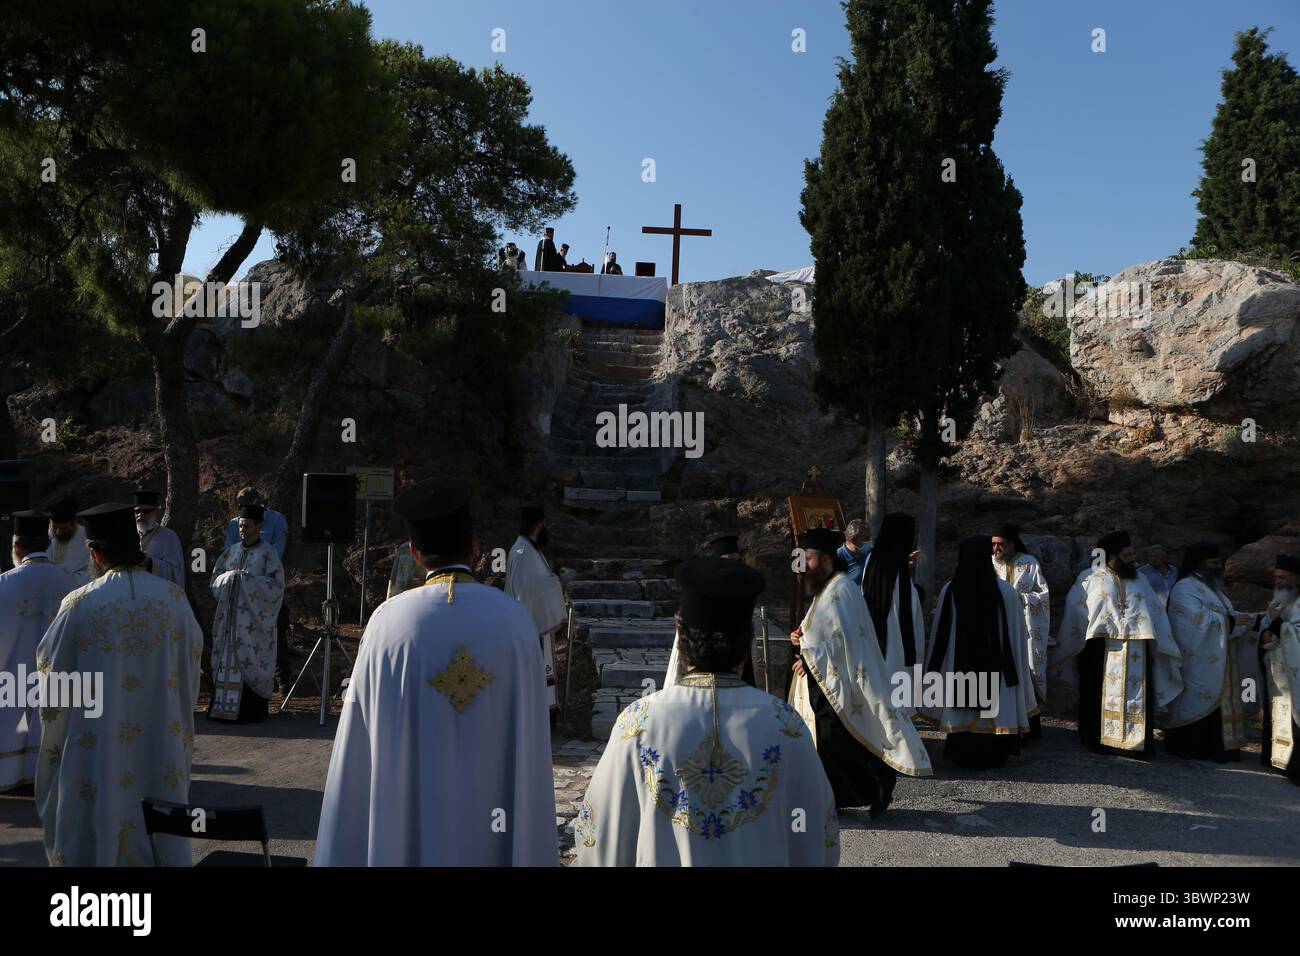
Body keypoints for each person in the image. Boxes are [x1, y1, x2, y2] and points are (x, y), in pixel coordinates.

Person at [315, 477, 556, 865]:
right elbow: (530, 742)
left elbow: (358, 745)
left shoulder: (386, 623)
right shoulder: (514, 622)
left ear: (413, 552)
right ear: (474, 544)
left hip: (404, 837)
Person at [575, 557, 838, 866]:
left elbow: (598, 835)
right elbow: (820, 840)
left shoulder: (638, 723)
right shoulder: (786, 726)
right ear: (747, 644)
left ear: (681, 640)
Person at [36, 503, 203, 866]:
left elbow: (53, 682)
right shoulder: (174, 600)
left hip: (96, 749)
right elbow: (191, 670)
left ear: (94, 553)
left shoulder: (79, 605)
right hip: (162, 740)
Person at [788, 527, 931, 815]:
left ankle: (880, 782)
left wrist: (811, 655)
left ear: (827, 559)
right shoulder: (825, 587)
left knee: (837, 741)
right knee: (828, 744)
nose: (803, 565)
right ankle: (835, 800)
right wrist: (801, 634)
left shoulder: (841, 589)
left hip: (840, 681)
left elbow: (845, 639)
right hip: (823, 679)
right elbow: (822, 626)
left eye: (808, 558)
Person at [1054, 530, 1183, 756]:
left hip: (1138, 650)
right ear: (1111, 555)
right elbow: (1076, 610)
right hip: (1098, 649)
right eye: (1127, 554)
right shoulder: (1090, 578)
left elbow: (1155, 612)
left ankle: (1136, 742)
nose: (1133, 558)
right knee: (1095, 694)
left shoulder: (1140, 579)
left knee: (1138, 695)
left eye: (1133, 553)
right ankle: (1097, 739)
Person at [926, 536, 1035, 768]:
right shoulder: (1005, 591)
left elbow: (940, 635)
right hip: (997, 669)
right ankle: (996, 751)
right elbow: (1018, 636)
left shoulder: (950, 590)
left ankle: (962, 751)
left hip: (960, 669)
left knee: (963, 707)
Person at [0, 511, 74, 793]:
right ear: (47, 544)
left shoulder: (5, 584)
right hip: (58, 681)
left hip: (12, 681)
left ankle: (11, 773)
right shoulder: (69, 582)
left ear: (17, 547)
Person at [1164, 543, 1253, 762]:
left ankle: (1221, 748)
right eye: (1213, 562)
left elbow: (1227, 613)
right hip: (1197, 661)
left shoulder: (1213, 589)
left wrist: (1247, 619)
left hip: (1220, 659)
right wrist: (1230, 621)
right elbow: (1193, 621)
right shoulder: (1185, 587)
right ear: (1201, 563)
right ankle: (1193, 747)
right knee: (1197, 698)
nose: (1218, 566)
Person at [208, 503, 285, 723]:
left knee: (249, 661)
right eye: (241, 526)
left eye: (248, 526)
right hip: (228, 623)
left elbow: (276, 588)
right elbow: (214, 582)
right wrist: (230, 578)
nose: (243, 530)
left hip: (252, 625)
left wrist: (246, 580)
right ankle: (221, 710)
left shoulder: (268, 554)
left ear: (259, 526)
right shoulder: (230, 552)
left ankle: (249, 712)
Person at [663, 531, 759, 688]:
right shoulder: (700, 597)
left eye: (736, 561)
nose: (732, 566)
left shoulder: (742, 592)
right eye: (727, 561)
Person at [222, 487, 293, 691]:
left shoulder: (277, 520)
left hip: (266, 585)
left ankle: (282, 676)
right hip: (240, 588)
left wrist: (254, 574)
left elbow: (277, 554)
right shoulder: (235, 524)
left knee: (274, 628)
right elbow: (229, 553)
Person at [504, 504, 565, 713]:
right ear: (539, 524)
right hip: (529, 625)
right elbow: (524, 591)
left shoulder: (529, 549)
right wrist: (554, 582)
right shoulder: (522, 552)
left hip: (534, 623)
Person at [991, 523, 1050, 737]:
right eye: (994, 544)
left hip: (1024, 630)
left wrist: (1019, 598)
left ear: (1012, 544)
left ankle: (1029, 728)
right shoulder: (989, 564)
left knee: (1025, 672)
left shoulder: (1030, 564)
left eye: (1000, 544)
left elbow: (1043, 596)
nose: (996, 548)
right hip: (997, 628)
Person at [861, 513, 925, 705]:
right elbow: (908, 607)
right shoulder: (898, 566)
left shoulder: (872, 558)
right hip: (896, 640)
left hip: (873, 636)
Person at [1258, 554, 1300, 784]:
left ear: (1296, 579)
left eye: (1283, 577)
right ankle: (1274, 756)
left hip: (1295, 672)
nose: (1279, 581)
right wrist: (1266, 631)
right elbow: (1268, 629)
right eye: (1276, 577)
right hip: (1277, 669)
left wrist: (1277, 624)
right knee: (1275, 712)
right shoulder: (1276, 600)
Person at [134, 490, 184, 586]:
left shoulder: (168, 537)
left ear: (155, 511)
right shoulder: (129, 535)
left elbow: (176, 572)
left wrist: (149, 563)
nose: (140, 515)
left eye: (146, 511)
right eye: (137, 511)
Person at [45, 496, 89, 585]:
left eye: (64, 528)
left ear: (73, 522)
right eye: (55, 527)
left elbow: (92, 571)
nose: (58, 532)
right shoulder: (45, 535)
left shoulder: (86, 537)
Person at [837, 519, 872, 584]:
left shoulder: (870, 553)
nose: (869, 542)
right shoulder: (838, 557)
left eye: (870, 538)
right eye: (866, 538)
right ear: (852, 540)